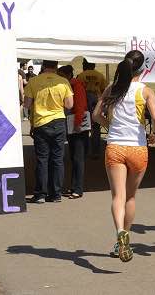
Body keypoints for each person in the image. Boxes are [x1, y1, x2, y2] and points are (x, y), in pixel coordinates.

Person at [93, 50, 155, 263]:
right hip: (138, 148)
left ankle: (119, 233)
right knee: (131, 197)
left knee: (117, 197)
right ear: (142, 70)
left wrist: (110, 125)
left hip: (115, 146)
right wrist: (154, 134)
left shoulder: (112, 89)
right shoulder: (146, 91)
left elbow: (96, 115)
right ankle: (126, 239)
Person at [23, 60, 74, 203]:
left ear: (44, 66)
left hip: (41, 123)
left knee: (42, 159)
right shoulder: (63, 81)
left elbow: (27, 104)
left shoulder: (33, 81)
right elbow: (70, 104)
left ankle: (40, 194)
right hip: (58, 121)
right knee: (57, 159)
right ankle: (56, 194)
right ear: (56, 67)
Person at [57, 65, 89, 199]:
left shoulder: (76, 86)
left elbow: (80, 106)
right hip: (72, 123)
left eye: (61, 75)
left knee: (78, 158)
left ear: (68, 74)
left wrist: (77, 124)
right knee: (74, 157)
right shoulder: (69, 85)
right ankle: (74, 186)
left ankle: (78, 188)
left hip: (77, 124)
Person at [77, 58, 109, 158]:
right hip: (97, 103)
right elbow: (104, 89)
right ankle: (95, 151)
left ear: (84, 65)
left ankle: (85, 151)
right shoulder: (100, 75)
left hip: (84, 103)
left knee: (84, 128)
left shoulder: (81, 76)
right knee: (96, 128)